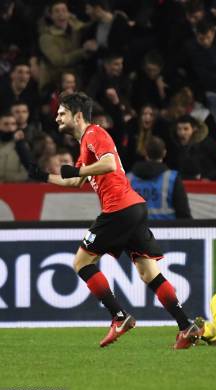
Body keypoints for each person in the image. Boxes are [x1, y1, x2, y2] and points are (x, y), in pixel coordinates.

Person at [27, 92, 203, 349]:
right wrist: (43, 176)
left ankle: (119, 317)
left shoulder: (95, 134)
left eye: (62, 113)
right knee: (148, 272)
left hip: (119, 209)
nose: (56, 117)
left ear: (77, 116)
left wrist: (80, 170)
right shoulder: (85, 142)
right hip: (133, 208)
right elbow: (76, 181)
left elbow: (108, 164)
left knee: (81, 262)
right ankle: (186, 326)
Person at [127, 136, 192, 220]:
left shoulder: (128, 178)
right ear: (164, 153)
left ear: (145, 153)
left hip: (136, 230)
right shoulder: (172, 178)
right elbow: (183, 212)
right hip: (166, 230)